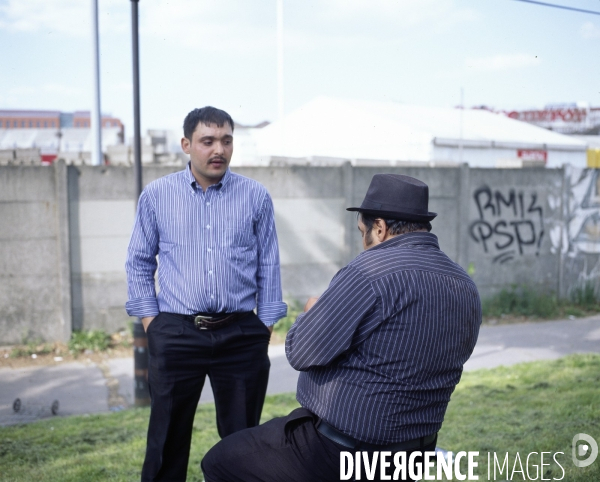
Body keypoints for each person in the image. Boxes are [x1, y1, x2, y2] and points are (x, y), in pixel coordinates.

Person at [201, 173, 482, 482]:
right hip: (417, 451)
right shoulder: (464, 284)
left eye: (364, 232)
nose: (364, 244)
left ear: (380, 228)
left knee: (220, 461)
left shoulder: (369, 271)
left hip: (345, 451)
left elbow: (300, 351)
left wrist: (311, 312)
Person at [125, 106, 287, 482]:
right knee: (165, 439)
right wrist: (153, 324)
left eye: (226, 140)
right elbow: (138, 262)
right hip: (177, 333)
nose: (219, 149)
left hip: (241, 334)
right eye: (208, 141)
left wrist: (262, 325)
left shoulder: (255, 196)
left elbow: (269, 264)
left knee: (244, 441)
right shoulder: (157, 196)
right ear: (187, 144)